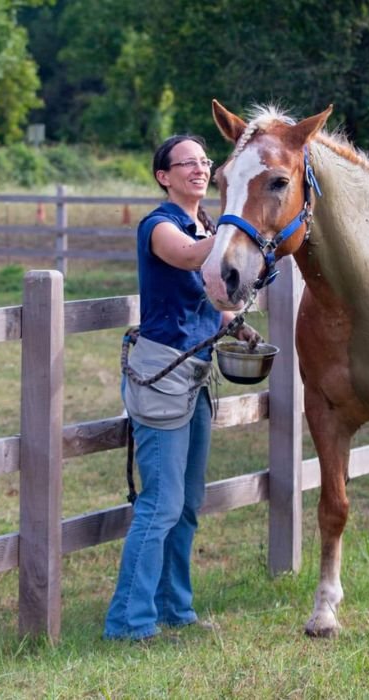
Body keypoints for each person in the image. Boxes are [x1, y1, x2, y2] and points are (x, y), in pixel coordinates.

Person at [104, 134, 260, 642]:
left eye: (204, 162)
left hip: (195, 377)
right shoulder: (160, 227)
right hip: (162, 375)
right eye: (185, 163)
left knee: (188, 502)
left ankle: (176, 608)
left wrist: (235, 324)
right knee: (160, 504)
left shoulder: (208, 225)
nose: (197, 169)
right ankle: (129, 621)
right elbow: (194, 259)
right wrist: (241, 225)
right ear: (163, 176)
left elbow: (213, 289)